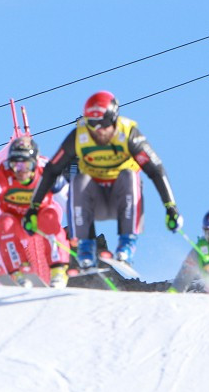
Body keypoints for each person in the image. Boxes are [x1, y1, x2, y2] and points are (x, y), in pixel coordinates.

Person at [23, 90, 182, 272]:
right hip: (95, 196)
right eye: (93, 124)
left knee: (129, 176)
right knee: (79, 181)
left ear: (114, 118)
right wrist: (33, 208)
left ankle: (126, 246)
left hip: (123, 196)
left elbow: (156, 170)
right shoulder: (79, 136)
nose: (98, 130)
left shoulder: (129, 134)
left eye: (104, 124)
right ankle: (86, 250)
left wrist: (170, 207)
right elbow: (51, 170)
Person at [0, 136, 71, 288]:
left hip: (41, 216)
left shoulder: (47, 170)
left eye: (26, 165)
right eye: (16, 166)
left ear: (34, 163)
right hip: (18, 220)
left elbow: (68, 200)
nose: (21, 171)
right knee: (4, 222)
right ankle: (18, 270)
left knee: (49, 217)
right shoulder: (4, 172)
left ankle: (58, 270)